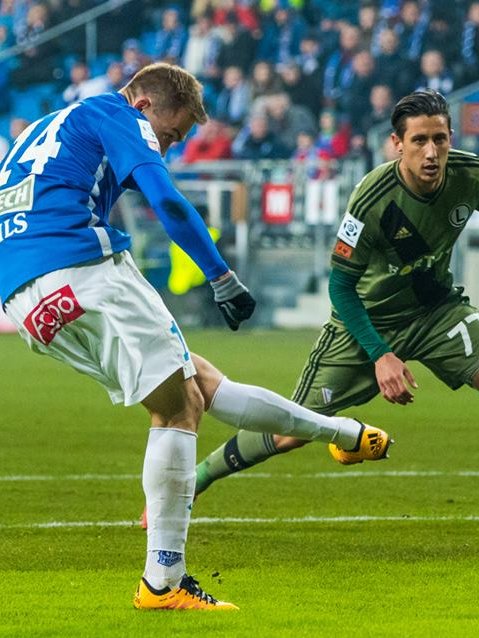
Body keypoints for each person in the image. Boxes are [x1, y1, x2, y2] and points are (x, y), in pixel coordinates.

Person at [0, 62, 391, 611]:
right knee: (181, 407)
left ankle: (342, 433)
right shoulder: (117, 113)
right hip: (82, 265)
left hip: (27, 302)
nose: (168, 146)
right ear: (146, 106)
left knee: (194, 381)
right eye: (171, 133)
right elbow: (168, 202)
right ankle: (163, 581)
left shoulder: (40, 131)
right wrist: (222, 277)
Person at [190, 90, 479, 540]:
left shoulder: (472, 175)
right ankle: (193, 481)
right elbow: (340, 286)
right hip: (367, 322)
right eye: (419, 141)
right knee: (291, 430)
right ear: (397, 143)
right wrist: (381, 354)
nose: (431, 152)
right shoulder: (371, 199)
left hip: (437, 310)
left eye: (440, 140)